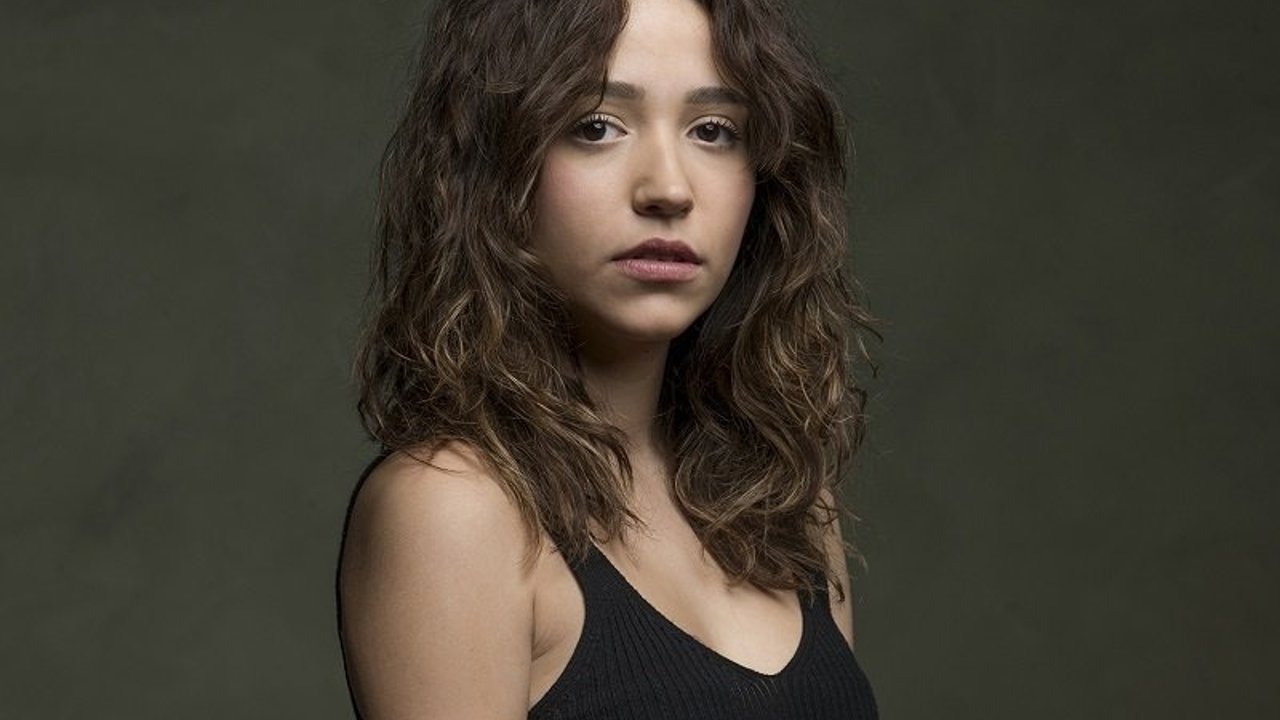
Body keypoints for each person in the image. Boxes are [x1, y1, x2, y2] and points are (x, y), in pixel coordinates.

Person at [337, 0, 879, 717]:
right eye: (596, 126)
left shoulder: (788, 502)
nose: (669, 189)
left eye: (714, 130)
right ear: (494, 164)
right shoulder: (453, 511)